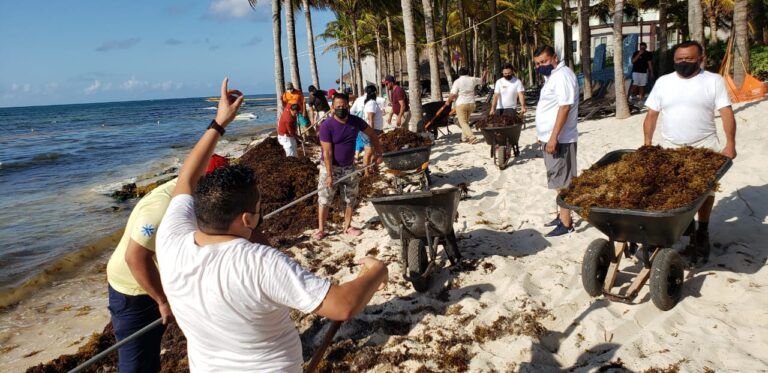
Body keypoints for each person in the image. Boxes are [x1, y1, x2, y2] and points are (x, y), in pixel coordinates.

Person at [156, 78, 389, 372]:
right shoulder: (260, 262)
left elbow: (186, 179)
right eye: (258, 210)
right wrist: (376, 271)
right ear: (247, 220)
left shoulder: (170, 240)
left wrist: (219, 123)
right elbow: (343, 305)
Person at [106, 154, 229, 372]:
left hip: (164, 280)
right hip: (133, 289)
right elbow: (135, 257)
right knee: (135, 363)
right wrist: (162, 301)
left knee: (152, 355)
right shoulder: (162, 207)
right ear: (200, 179)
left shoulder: (197, 197)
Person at [643, 40, 737, 264]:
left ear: (701, 59)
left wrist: (730, 143)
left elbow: (726, 113)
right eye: (679, 59)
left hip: (705, 146)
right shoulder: (664, 82)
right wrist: (647, 141)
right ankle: (676, 229)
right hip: (670, 146)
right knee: (669, 191)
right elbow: (652, 115)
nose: (683, 62)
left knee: (705, 194)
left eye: (688, 58)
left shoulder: (713, 81)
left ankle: (701, 231)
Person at [314, 93, 384, 240]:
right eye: (338, 106)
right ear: (332, 107)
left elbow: (372, 134)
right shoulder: (326, 126)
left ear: (348, 106)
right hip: (330, 167)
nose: (341, 108)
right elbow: (327, 153)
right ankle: (321, 229)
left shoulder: (355, 121)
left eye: (344, 106)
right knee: (325, 199)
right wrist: (330, 175)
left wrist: (379, 153)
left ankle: (347, 226)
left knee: (350, 198)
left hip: (349, 167)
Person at [533, 46, 579, 237]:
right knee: (557, 179)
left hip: (561, 140)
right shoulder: (552, 76)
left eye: (543, 61)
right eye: (537, 64)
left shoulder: (562, 76)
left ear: (554, 58)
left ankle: (566, 223)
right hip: (550, 138)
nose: (540, 66)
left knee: (563, 182)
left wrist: (553, 138)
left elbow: (565, 107)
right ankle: (561, 215)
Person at [443, 67, 488, 144]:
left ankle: (471, 137)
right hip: (471, 104)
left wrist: (448, 101)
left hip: (461, 104)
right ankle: (463, 138)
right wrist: (485, 73)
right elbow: (482, 80)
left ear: (459, 73)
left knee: (462, 122)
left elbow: (453, 94)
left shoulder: (457, 81)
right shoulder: (472, 79)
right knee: (466, 122)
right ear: (468, 72)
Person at [361, 84, 385, 176]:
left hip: (374, 130)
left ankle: (374, 168)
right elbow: (370, 118)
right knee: (369, 152)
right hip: (370, 130)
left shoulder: (371, 102)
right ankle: (366, 172)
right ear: (375, 92)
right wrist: (372, 134)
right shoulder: (371, 103)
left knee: (375, 150)